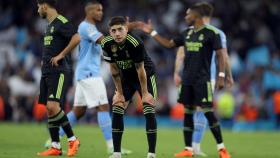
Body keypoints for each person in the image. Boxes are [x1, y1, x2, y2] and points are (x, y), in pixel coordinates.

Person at [140, 3, 231, 158]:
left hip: (203, 81)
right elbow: (169, 44)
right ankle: (188, 149)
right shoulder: (186, 33)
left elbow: (221, 55)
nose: (185, 16)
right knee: (188, 113)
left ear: (196, 16)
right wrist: (152, 32)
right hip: (187, 80)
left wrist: (221, 76)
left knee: (208, 113)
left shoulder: (211, 33)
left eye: (188, 14)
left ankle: (222, 149)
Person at [45, 1, 132, 155]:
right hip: (90, 74)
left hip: (83, 74)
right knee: (103, 107)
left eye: (102, 10)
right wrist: (122, 34)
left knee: (78, 111)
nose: (101, 13)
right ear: (89, 12)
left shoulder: (91, 28)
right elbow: (103, 41)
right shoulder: (86, 27)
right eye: (98, 10)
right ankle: (113, 147)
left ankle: (54, 139)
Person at [173, 2, 234, 157]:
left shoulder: (201, 32)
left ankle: (194, 146)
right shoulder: (216, 32)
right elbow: (224, 56)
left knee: (200, 110)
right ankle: (193, 147)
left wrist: (176, 72)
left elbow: (181, 53)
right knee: (197, 110)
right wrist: (228, 76)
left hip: (204, 77)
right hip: (202, 76)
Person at [101, 16, 158, 158]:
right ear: (110, 32)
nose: (117, 33)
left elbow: (140, 70)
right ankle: (116, 153)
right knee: (117, 106)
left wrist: (145, 93)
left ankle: (151, 153)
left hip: (146, 75)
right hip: (126, 77)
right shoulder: (106, 43)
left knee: (148, 107)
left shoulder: (135, 43)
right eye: (113, 31)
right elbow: (114, 70)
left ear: (126, 29)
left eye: (120, 29)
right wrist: (119, 93)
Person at [36, 0, 80, 156]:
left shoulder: (62, 21)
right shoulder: (49, 25)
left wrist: (60, 55)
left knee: (54, 106)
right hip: (47, 71)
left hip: (58, 70)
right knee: (49, 108)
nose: (38, 10)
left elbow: (76, 38)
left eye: (38, 6)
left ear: (45, 6)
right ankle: (55, 146)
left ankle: (73, 139)